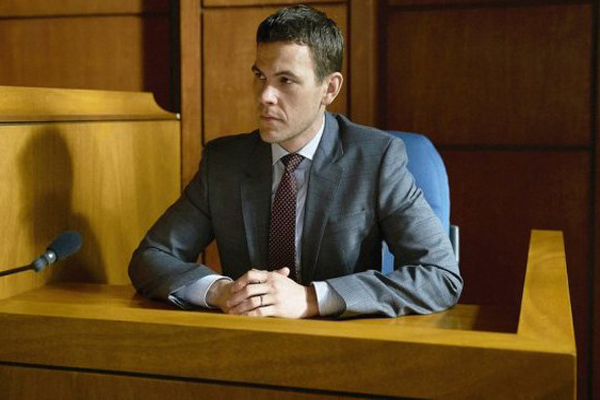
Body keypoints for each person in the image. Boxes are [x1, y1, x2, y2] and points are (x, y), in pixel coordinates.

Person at [129, 4, 462, 319]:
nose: (265, 96)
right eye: (260, 76)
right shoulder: (223, 162)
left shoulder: (376, 159)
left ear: (329, 89)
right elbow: (151, 257)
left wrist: (311, 299)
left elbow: (440, 276)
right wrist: (220, 291)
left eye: (285, 80)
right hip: (245, 341)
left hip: (344, 343)